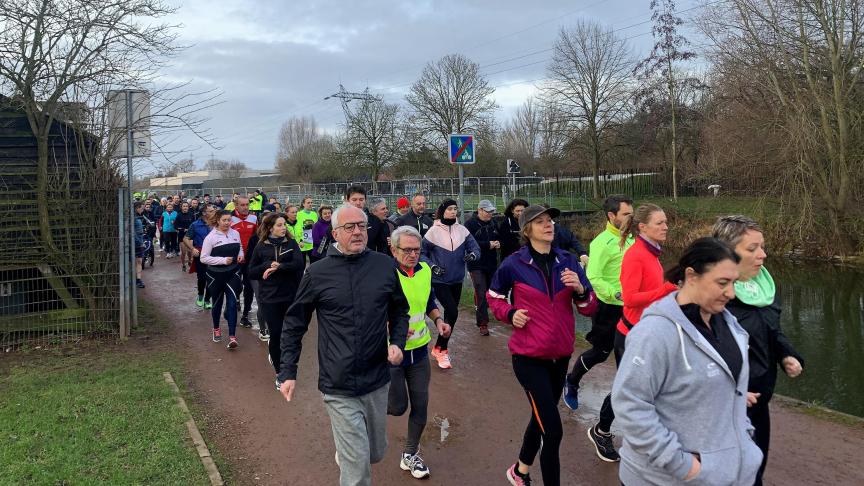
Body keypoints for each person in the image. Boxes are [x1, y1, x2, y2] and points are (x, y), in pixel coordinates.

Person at [612, 237, 763, 486]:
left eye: (733, 283)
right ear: (691, 276)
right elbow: (630, 404)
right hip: (664, 479)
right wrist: (684, 465)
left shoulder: (729, 325)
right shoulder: (654, 333)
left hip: (724, 474)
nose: (731, 293)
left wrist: (745, 438)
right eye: (722, 283)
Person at [278, 204, 410, 486]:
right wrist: (287, 371)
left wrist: (397, 342)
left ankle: (349, 449)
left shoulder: (385, 265)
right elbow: (294, 323)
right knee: (357, 469)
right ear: (335, 233)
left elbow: (400, 310)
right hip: (338, 382)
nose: (357, 232)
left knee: (375, 453)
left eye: (362, 226)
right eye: (349, 227)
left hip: (377, 378)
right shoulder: (318, 273)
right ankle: (350, 453)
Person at [487, 205, 597, 486]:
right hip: (528, 357)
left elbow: (588, 308)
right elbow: (494, 296)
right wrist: (511, 314)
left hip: (559, 356)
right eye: (541, 222)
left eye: (550, 221)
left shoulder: (569, 261)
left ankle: (520, 471)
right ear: (527, 230)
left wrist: (582, 290)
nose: (549, 225)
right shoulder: (514, 263)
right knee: (553, 430)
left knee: (541, 417)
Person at [712, 215, 804, 485]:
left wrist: (787, 353)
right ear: (726, 253)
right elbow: (695, 359)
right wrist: (729, 392)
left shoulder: (761, 287)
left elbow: (771, 330)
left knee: (756, 465)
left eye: (762, 246)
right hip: (723, 408)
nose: (762, 255)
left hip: (759, 400)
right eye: (752, 249)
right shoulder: (711, 299)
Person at [588, 203, 678, 463]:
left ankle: (653, 437)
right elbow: (630, 298)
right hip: (630, 336)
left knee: (648, 387)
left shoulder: (652, 253)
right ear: (643, 227)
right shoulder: (636, 255)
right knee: (627, 389)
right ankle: (601, 431)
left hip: (646, 332)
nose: (665, 226)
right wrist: (666, 290)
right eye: (660, 222)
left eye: (665, 222)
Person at [388, 226, 452, 480]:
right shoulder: (385, 275)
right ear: (393, 250)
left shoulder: (425, 270)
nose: (413, 254)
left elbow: (428, 301)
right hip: (392, 353)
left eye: (417, 250)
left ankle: (410, 454)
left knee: (421, 404)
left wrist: (438, 321)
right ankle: (360, 421)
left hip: (419, 352)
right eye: (407, 250)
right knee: (396, 406)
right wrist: (391, 329)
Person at [564, 195, 633, 410]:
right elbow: (593, 277)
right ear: (612, 216)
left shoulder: (633, 239)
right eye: (626, 214)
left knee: (631, 352)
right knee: (601, 353)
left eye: (632, 213)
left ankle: (626, 401)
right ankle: (572, 381)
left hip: (631, 306)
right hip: (608, 307)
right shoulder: (601, 243)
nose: (631, 218)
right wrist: (616, 294)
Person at [421, 199, 480, 369]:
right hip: (439, 280)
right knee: (453, 312)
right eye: (450, 209)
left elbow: (476, 249)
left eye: (455, 209)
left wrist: (472, 256)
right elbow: (422, 254)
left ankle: (439, 347)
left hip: (457, 279)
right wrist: (432, 267)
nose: (453, 212)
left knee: (451, 315)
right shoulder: (433, 232)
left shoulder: (462, 230)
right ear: (443, 211)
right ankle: (443, 350)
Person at [249, 212, 304, 386]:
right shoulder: (260, 247)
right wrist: (266, 265)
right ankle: (280, 374)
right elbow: (251, 271)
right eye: (279, 225)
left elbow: (299, 264)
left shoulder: (291, 243)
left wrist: (280, 266)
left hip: (290, 296)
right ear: (270, 228)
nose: (283, 228)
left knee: (291, 335)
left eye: (284, 225)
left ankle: (286, 363)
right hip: (270, 298)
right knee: (277, 334)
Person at [200, 210, 245, 349]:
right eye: (224, 220)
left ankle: (232, 337)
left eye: (229, 220)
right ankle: (216, 328)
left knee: (232, 304)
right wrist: (223, 260)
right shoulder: (211, 237)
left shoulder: (235, 233)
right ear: (218, 220)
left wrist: (240, 254)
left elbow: (240, 247)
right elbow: (203, 258)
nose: (227, 223)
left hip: (233, 273)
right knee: (217, 304)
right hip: (215, 275)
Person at [464, 199, 501, 336]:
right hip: (476, 264)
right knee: (481, 291)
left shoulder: (494, 223)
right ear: (479, 210)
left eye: (492, 211)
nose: (490, 214)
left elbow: (499, 237)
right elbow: (469, 243)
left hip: (491, 263)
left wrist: (498, 243)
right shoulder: (470, 224)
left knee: (492, 291)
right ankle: (483, 324)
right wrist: (488, 244)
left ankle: (496, 313)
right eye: (488, 211)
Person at [230, 196, 258, 328]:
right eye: (242, 205)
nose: (246, 207)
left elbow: (258, 237)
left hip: (250, 259)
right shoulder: (229, 219)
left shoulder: (254, 218)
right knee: (236, 285)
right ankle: (235, 299)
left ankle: (245, 315)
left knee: (249, 287)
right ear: (236, 206)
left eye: (247, 204)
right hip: (235, 259)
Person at [184, 204, 216, 308]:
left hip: (214, 255)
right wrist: (192, 249)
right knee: (202, 278)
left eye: (213, 210)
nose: (213, 212)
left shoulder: (217, 224)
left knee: (212, 278)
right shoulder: (195, 225)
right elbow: (186, 238)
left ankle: (207, 300)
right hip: (201, 254)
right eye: (211, 211)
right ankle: (201, 295)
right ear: (204, 213)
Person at [344, 186, 389, 253]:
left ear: (365, 200)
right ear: (347, 201)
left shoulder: (375, 221)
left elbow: (383, 247)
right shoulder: (339, 220)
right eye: (354, 200)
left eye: (361, 199)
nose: (358, 203)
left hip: (369, 261)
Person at [133, 202, 151, 288]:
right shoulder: (133, 218)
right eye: (141, 208)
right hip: (135, 243)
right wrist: (139, 242)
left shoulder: (140, 217)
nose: (142, 209)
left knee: (139, 261)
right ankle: (133, 279)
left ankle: (138, 280)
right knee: (134, 261)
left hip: (140, 242)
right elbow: (132, 232)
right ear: (137, 208)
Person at [296, 196, 319, 262]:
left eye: (311, 202)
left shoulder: (314, 214)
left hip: (311, 243)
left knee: (313, 263)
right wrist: (300, 239)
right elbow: (298, 228)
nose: (310, 204)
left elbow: (316, 227)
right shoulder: (299, 214)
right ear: (303, 204)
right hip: (302, 243)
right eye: (308, 203)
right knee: (302, 264)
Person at [175, 201, 196, 272]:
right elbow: (175, 226)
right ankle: (183, 265)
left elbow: (194, 224)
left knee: (190, 251)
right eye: (183, 206)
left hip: (189, 235)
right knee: (183, 252)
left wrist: (190, 230)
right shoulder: (178, 215)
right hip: (182, 236)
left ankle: (190, 261)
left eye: (186, 206)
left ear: (188, 207)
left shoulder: (191, 214)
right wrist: (183, 229)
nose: (185, 208)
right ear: (181, 207)